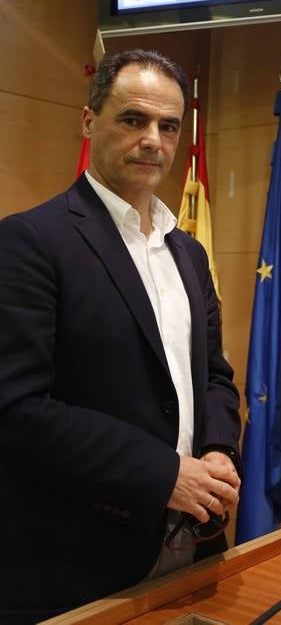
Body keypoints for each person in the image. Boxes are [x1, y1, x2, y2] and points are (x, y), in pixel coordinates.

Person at [0, 49, 241, 623]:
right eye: (133, 119)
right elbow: (16, 408)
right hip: (77, 558)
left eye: (168, 125)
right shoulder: (29, 242)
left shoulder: (189, 251)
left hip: (194, 542)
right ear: (89, 122)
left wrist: (218, 451)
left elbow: (213, 378)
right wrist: (162, 474)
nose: (153, 139)